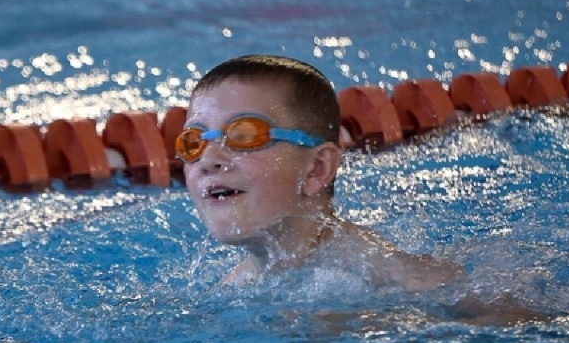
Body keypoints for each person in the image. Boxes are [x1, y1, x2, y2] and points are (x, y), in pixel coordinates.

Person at [179, 53, 466, 290]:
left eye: (244, 134)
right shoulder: (235, 286)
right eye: (193, 142)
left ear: (317, 169)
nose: (208, 159)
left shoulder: (386, 273)